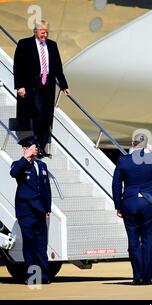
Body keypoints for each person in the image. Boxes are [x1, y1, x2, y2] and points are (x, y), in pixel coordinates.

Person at [13, 19, 70, 158]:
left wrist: (64, 85)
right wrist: (19, 86)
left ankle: (41, 147)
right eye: (42, 32)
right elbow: (18, 66)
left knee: (46, 117)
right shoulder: (24, 44)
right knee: (37, 113)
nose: (45, 35)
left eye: (47, 32)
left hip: (48, 86)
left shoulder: (52, 45)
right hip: (32, 86)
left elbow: (57, 67)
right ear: (35, 31)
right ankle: (35, 144)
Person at [112, 133, 152, 285]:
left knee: (133, 242)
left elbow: (116, 185)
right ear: (145, 144)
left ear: (132, 144)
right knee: (148, 241)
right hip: (148, 204)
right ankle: (147, 277)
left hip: (130, 203)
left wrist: (118, 205)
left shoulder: (123, 161)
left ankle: (137, 276)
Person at [10, 135, 52, 284]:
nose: (34, 149)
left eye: (35, 147)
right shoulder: (19, 164)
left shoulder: (42, 165)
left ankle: (44, 276)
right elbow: (14, 173)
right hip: (26, 211)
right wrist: (26, 157)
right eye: (30, 147)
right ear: (25, 149)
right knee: (30, 245)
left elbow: (46, 188)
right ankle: (33, 277)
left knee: (41, 245)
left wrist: (48, 208)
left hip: (40, 211)